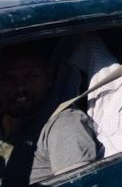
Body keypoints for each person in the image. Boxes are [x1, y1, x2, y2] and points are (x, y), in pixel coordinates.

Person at [0, 42, 99, 185]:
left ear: (48, 78)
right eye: (10, 78)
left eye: (32, 76)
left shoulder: (63, 125)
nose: (21, 86)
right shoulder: (7, 118)